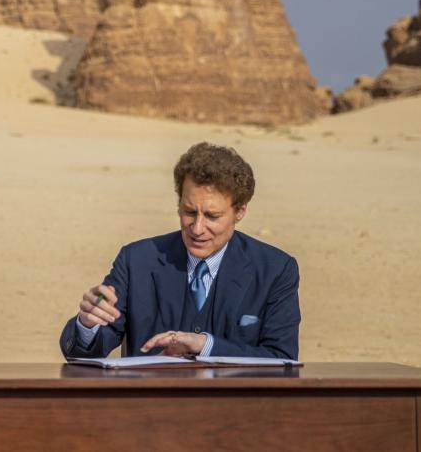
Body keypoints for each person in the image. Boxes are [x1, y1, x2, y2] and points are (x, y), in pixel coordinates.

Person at [59, 142, 300, 360]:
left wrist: (206, 345)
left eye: (212, 216)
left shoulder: (275, 270)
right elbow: (84, 352)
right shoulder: (136, 261)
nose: (197, 228)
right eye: (189, 212)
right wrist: (87, 325)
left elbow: (282, 359)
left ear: (240, 211)